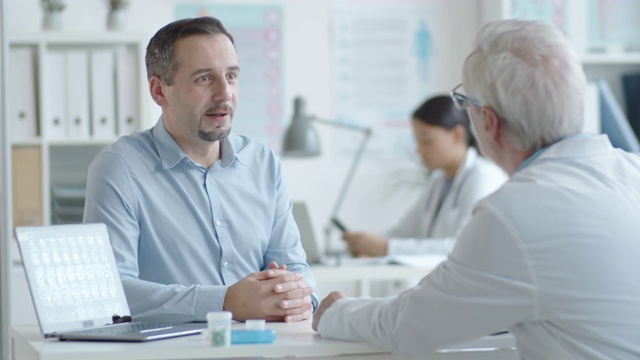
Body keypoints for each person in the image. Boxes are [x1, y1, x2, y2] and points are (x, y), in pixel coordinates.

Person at [312, 19, 640, 358]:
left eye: (463, 102)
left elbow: (410, 326)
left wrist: (337, 312)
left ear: (488, 121)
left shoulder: (515, 211)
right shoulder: (632, 172)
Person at [83, 17, 317, 323]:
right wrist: (223, 302)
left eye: (231, 76)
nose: (225, 93)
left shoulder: (264, 163)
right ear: (159, 91)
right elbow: (109, 291)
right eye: (204, 79)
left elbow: (296, 269)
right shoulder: (119, 167)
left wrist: (301, 297)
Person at [342, 96, 506, 257]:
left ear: (458, 134)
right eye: (417, 141)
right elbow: (405, 231)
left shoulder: (483, 178)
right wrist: (366, 244)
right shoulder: (438, 181)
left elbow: (462, 246)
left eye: (427, 141)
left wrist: (386, 247)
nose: (419, 150)